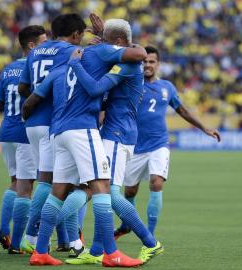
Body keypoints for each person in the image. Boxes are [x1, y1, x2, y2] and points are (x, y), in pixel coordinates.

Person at [28, 16, 146, 268]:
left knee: (58, 190)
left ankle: (39, 251)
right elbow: (137, 53)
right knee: (102, 185)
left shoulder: (62, 67)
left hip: (58, 132)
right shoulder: (100, 53)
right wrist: (106, 40)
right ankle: (111, 253)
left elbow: (32, 99)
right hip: (83, 129)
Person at [66, 19, 163, 265]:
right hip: (116, 132)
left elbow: (96, 88)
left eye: (109, 42)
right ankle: (98, 251)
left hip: (118, 134)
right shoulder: (125, 59)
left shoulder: (128, 66)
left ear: (119, 43)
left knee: (110, 193)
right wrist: (103, 37)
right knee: (101, 191)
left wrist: (76, 64)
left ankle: (151, 243)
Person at [114, 46, 220, 239]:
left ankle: (150, 237)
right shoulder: (130, 84)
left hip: (159, 144)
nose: (147, 65)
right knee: (130, 189)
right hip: (134, 146)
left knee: (156, 183)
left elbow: (183, 110)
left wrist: (204, 128)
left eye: (151, 61)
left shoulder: (167, 87)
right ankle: (126, 225)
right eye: (144, 61)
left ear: (158, 64)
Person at [18, 14, 88, 256]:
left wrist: (36, 97)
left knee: (58, 181)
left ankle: (70, 240)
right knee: (52, 183)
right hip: (53, 121)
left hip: (33, 121)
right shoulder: (68, 50)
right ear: (76, 34)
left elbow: (22, 87)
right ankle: (31, 236)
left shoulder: (35, 51)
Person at [0, 25, 47, 252]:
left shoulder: (7, 70)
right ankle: (15, 243)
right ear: (32, 46)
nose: (48, 46)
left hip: (6, 132)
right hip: (25, 133)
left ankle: (4, 229)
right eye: (43, 42)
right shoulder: (36, 69)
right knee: (25, 187)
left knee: (14, 182)